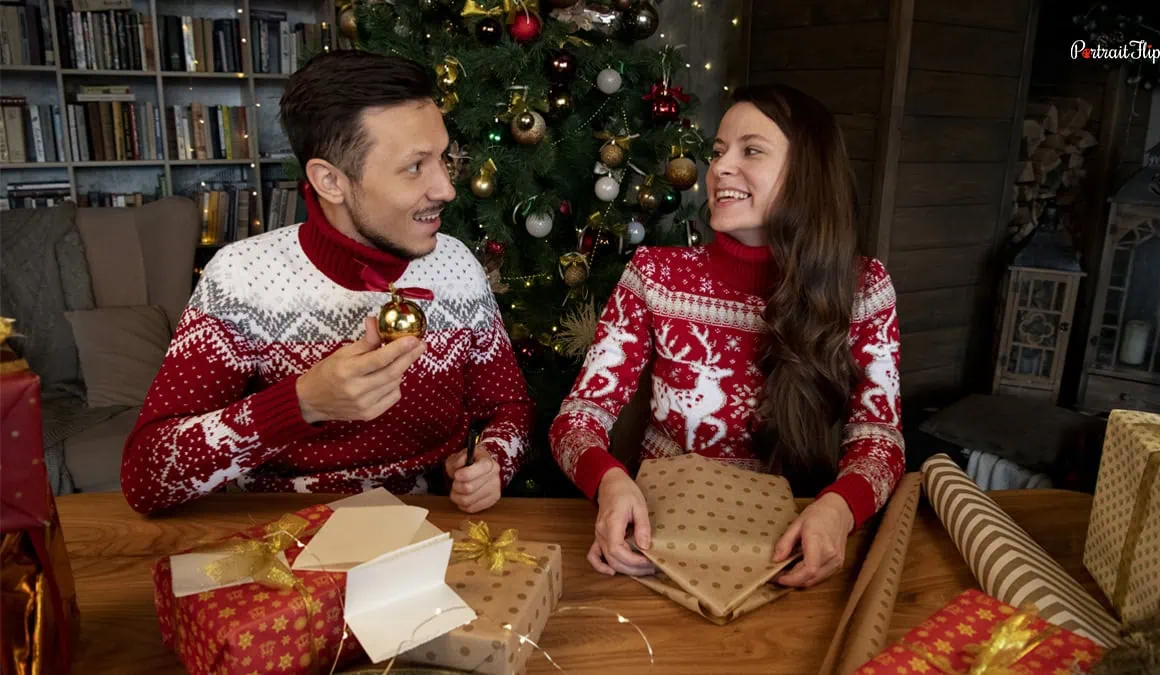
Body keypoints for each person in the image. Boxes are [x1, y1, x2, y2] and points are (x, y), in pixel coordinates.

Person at [121, 51, 534, 515]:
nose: (445, 189)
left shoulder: (456, 265)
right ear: (330, 181)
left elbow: (506, 408)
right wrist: (300, 404)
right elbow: (147, 476)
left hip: (431, 531)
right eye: (415, 167)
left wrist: (491, 460)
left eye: (443, 159)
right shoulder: (242, 279)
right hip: (281, 538)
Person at [549, 84, 904, 588]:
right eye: (717, 153)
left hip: (792, 550)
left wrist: (840, 510)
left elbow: (879, 439)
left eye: (751, 150)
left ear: (808, 175)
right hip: (661, 544)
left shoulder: (865, 289)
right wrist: (608, 482)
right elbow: (576, 420)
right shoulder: (655, 275)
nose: (719, 169)